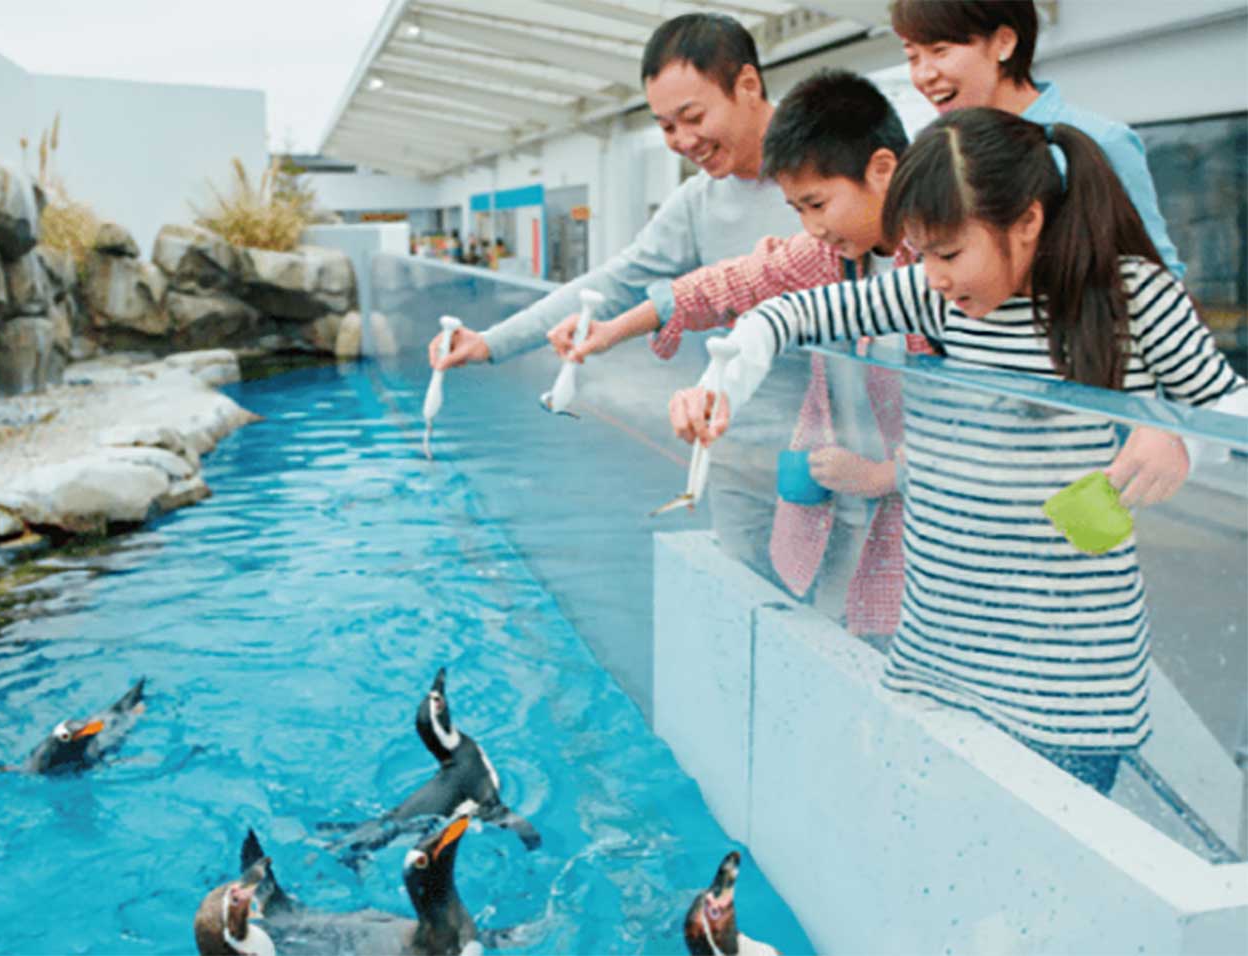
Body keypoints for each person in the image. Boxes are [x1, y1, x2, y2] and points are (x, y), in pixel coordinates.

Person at [668, 109, 1244, 792]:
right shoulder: (937, 296)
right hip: (939, 655)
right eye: (921, 252)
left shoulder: (1130, 294)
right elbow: (793, 312)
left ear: (1026, 221)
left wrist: (1169, 428)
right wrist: (723, 380)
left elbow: (1229, 411)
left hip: (1068, 687)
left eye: (947, 252)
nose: (932, 275)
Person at [549, 69, 929, 637]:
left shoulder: (942, 267)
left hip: (920, 526)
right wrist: (608, 330)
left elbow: (989, 417)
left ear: (881, 170)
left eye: (817, 204)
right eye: (797, 210)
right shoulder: (828, 257)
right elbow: (725, 286)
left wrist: (885, 475)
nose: (811, 228)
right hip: (842, 510)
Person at [426, 12, 798, 371]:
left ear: (748, 85)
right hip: (736, 418)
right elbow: (618, 282)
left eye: (694, 117)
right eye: (667, 127)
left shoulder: (842, 164)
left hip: (848, 422)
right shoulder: (697, 201)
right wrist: (491, 342)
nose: (684, 140)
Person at [892, 0, 1185, 278]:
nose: (923, 75)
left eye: (940, 50)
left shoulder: (1102, 141)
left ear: (1004, 42)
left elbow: (1158, 273)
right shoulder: (943, 152)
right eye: (912, 57)